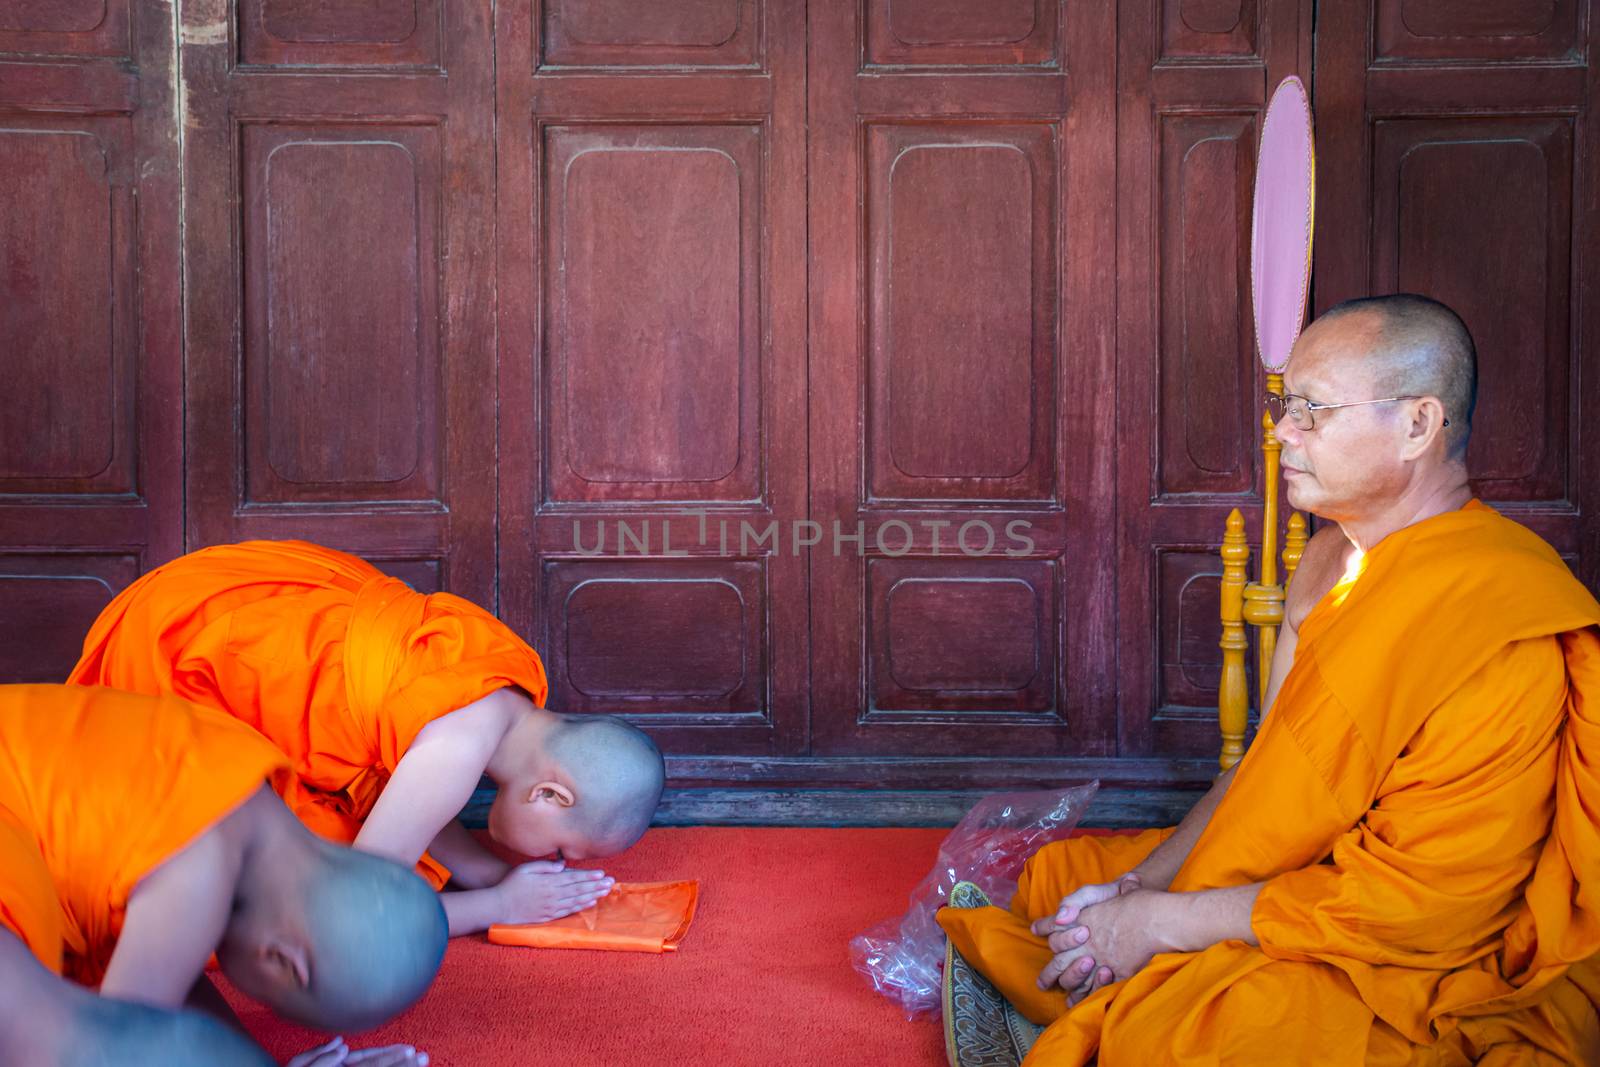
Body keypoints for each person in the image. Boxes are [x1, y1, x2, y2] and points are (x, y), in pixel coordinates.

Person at [939, 295, 1600, 1064]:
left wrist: (1163, 923)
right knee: (1068, 883)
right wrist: (1144, 887)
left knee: (1179, 1036)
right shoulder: (1325, 560)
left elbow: (1426, 912)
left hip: (1411, 951)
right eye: (1288, 405)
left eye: (1313, 411)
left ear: (1418, 425)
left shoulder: (1497, 617)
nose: (1284, 432)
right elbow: (1267, 773)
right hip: (1308, 887)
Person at [68, 539, 666, 936]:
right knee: (293, 893)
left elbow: (408, 779)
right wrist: (497, 908)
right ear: (550, 795)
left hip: (207, 597)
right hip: (182, 661)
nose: (551, 861)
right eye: (563, 851)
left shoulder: (511, 677)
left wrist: (485, 871)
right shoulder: (454, 754)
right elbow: (351, 911)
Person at [0, 684, 447, 1066]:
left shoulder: (249, 786)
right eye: (272, 1002)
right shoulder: (198, 875)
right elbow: (128, 1039)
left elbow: (169, 965)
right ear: (281, 960)